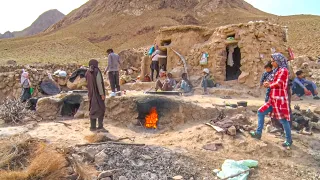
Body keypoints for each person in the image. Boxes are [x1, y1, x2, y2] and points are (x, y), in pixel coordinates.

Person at [250, 53, 292, 148]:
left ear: (278, 61)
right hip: (273, 98)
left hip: (280, 99)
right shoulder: (276, 70)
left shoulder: (283, 70)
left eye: (273, 61)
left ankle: (289, 140)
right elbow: (274, 82)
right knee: (260, 112)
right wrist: (268, 83)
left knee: (283, 120)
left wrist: (269, 85)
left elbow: (279, 83)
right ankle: (258, 133)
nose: (272, 63)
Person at [86, 59, 107, 132]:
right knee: (101, 109)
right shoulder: (96, 71)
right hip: (98, 95)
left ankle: (92, 127)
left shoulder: (87, 72)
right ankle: (100, 126)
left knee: (92, 109)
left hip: (91, 94)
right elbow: (99, 84)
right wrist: (102, 94)